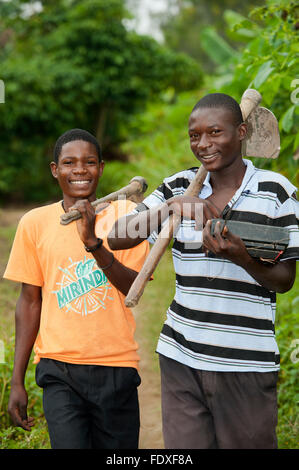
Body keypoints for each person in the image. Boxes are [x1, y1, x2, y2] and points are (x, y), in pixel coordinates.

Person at [108, 93, 299, 449]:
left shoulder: (277, 192)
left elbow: (285, 280)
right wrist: (171, 206)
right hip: (181, 356)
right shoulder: (179, 185)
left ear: (241, 132)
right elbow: (118, 237)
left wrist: (240, 256)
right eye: (195, 135)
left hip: (247, 362)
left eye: (215, 133)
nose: (203, 144)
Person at [4, 128, 150, 449]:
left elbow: (133, 289)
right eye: (69, 163)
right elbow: (29, 303)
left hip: (116, 366)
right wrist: (17, 380)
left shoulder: (125, 219)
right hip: (59, 370)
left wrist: (94, 244)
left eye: (90, 162)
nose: (80, 170)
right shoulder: (35, 223)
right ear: (56, 170)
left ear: (102, 167)